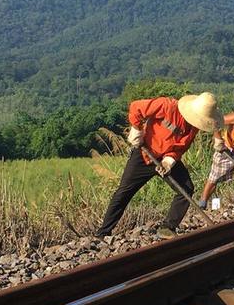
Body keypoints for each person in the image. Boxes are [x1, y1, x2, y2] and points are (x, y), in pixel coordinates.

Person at [96, 92, 223, 239]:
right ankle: (103, 232)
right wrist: (136, 130)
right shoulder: (167, 106)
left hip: (165, 160)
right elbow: (136, 107)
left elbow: (180, 147)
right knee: (124, 192)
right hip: (145, 154)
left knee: (186, 189)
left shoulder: (193, 127)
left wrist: (169, 161)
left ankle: (167, 227)